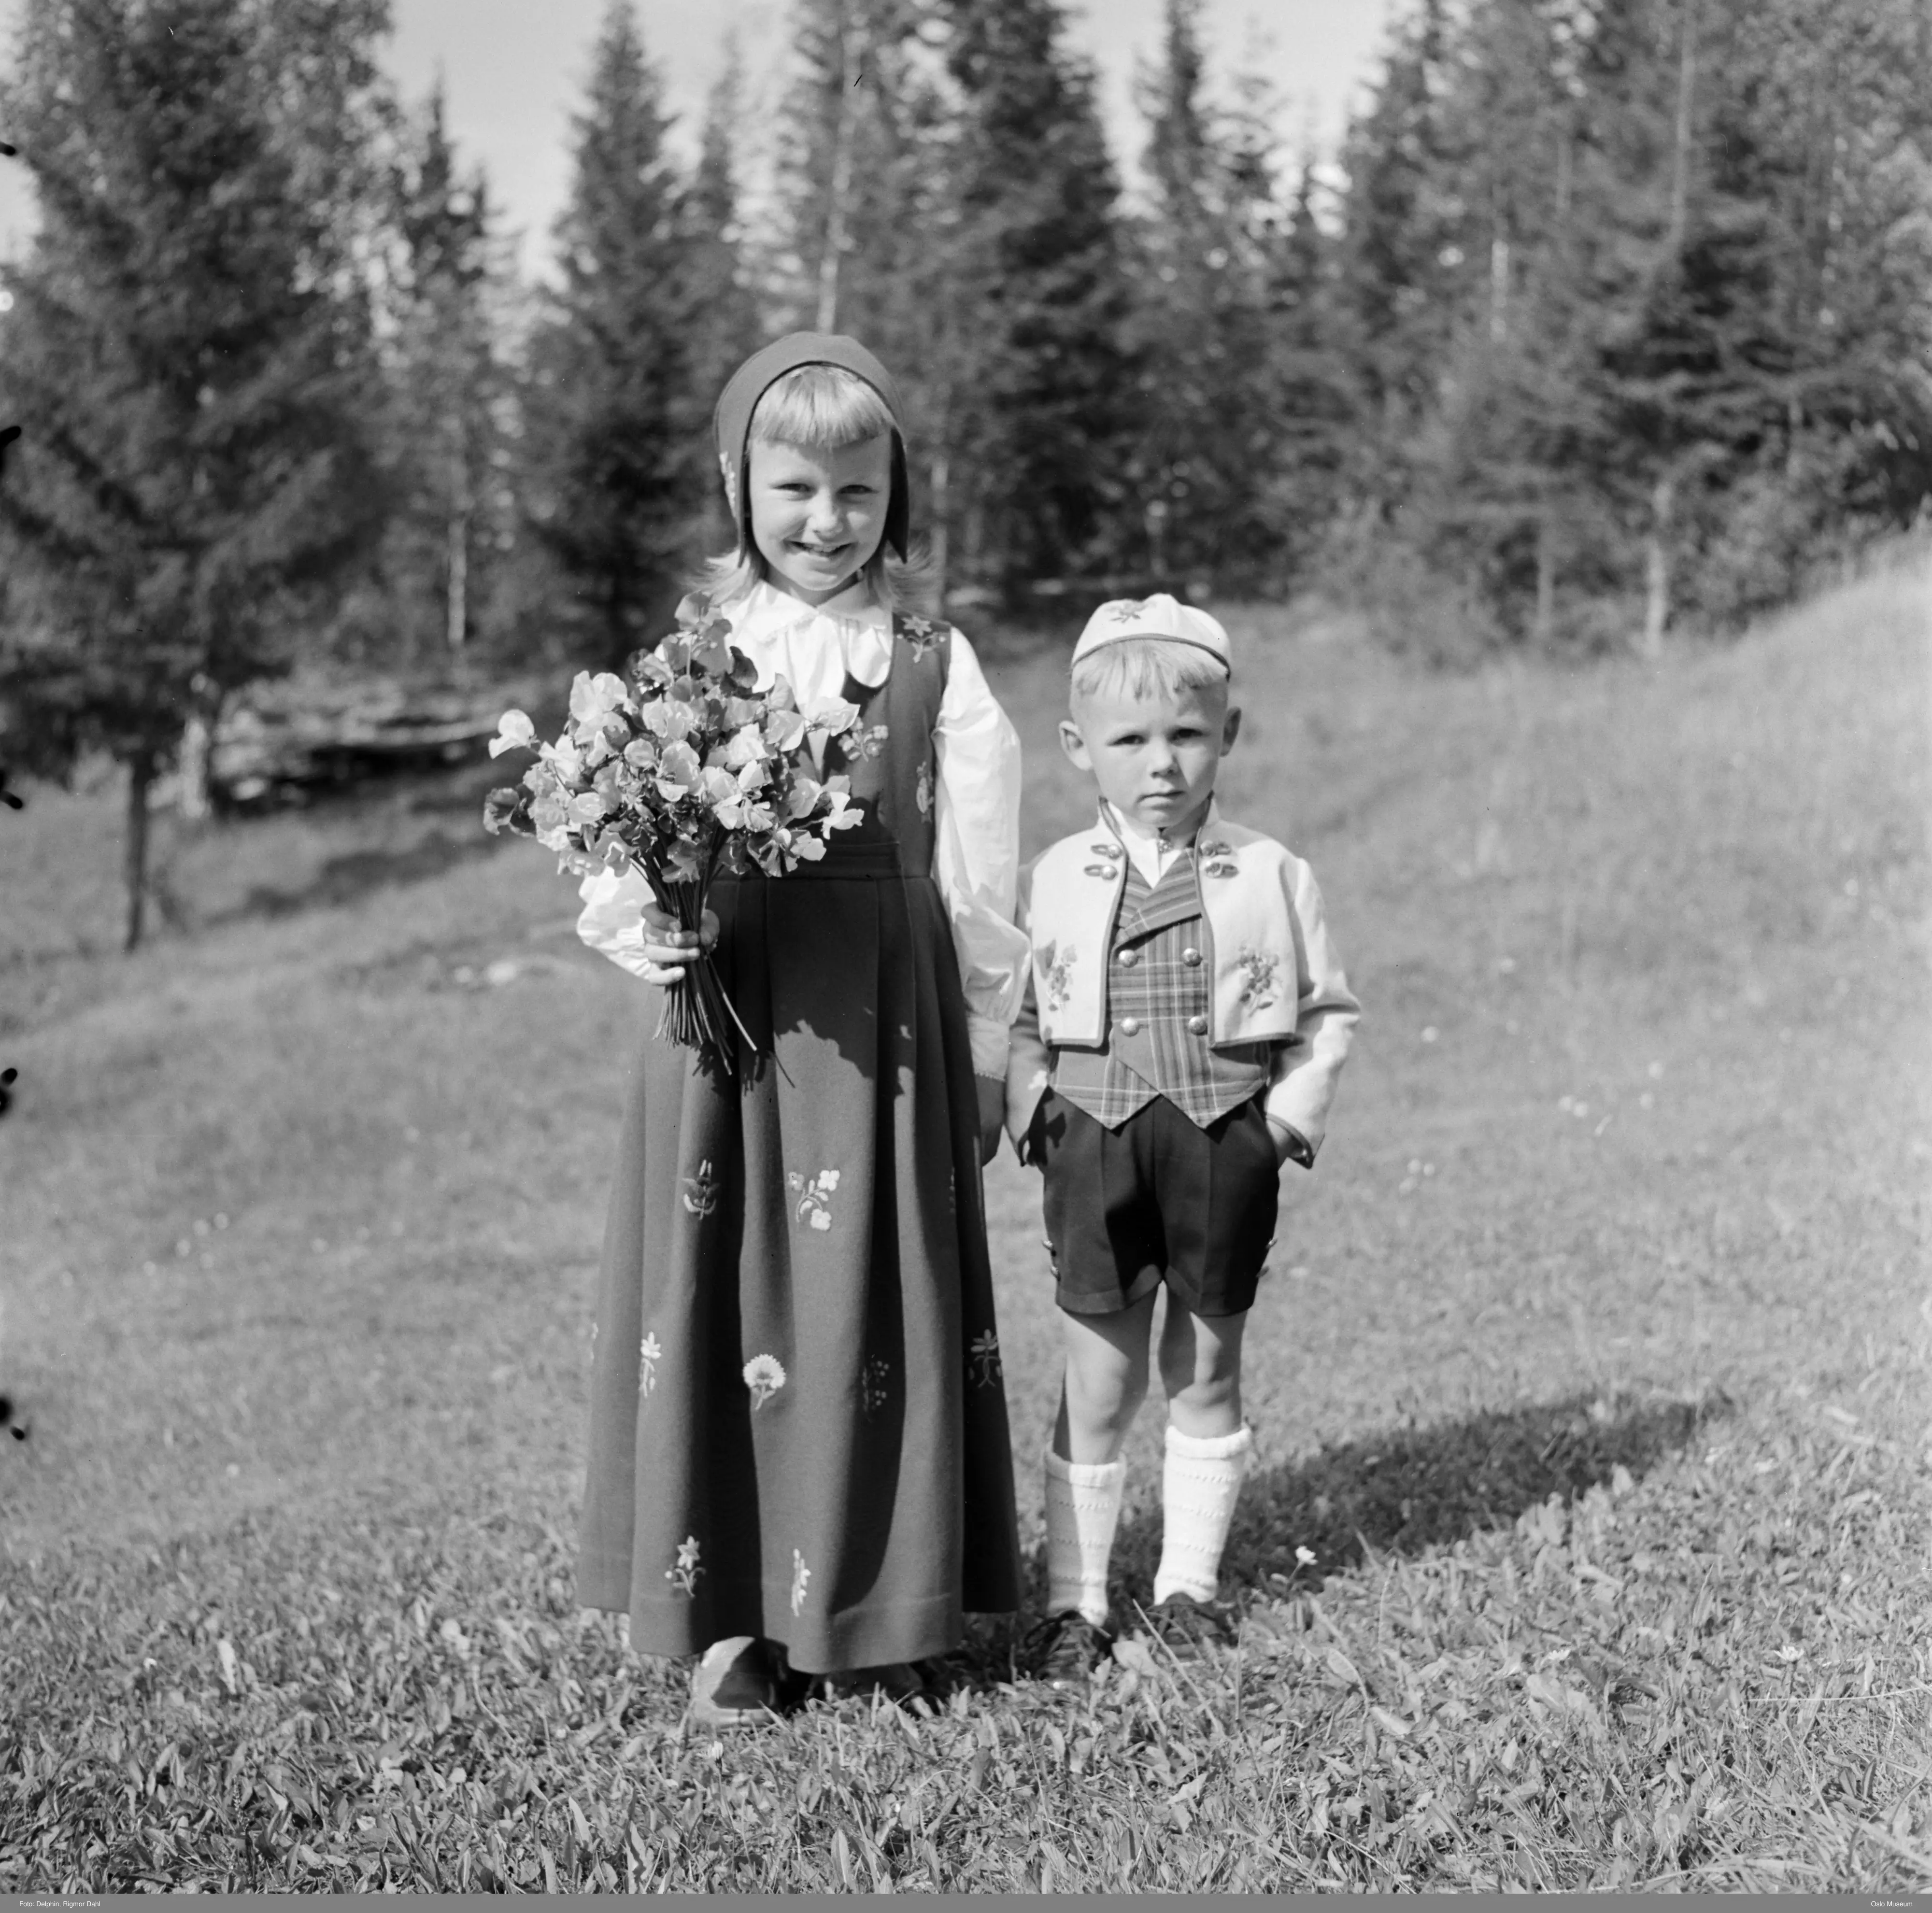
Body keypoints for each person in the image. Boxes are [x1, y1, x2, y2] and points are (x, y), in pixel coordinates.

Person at [573, 333, 1027, 1726]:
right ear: (737, 488)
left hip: (884, 1026)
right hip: (731, 1020)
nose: (827, 521)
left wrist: (995, 1038)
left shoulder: (933, 662)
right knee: (720, 1291)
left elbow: (983, 872)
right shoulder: (697, 659)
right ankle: (723, 1618)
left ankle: (883, 1605)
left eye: (856, 490)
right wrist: (647, 925)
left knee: (879, 1298)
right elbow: (617, 842)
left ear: (897, 492)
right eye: (794, 491)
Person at [1005, 594, 1360, 1683]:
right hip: (1095, 1142)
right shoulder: (1059, 875)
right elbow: (1020, 1015)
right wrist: (1038, 1112)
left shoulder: (1267, 872)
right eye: (1129, 741)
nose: (1160, 763)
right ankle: (1076, 1601)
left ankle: (1188, 1589)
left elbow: (1326, 1011)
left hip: (1220, 1142)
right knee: (1099, 1379)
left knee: (1204, 1365)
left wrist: (1279, 1128)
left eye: (1185, 735)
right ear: (1078, 750)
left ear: (1228, 735)